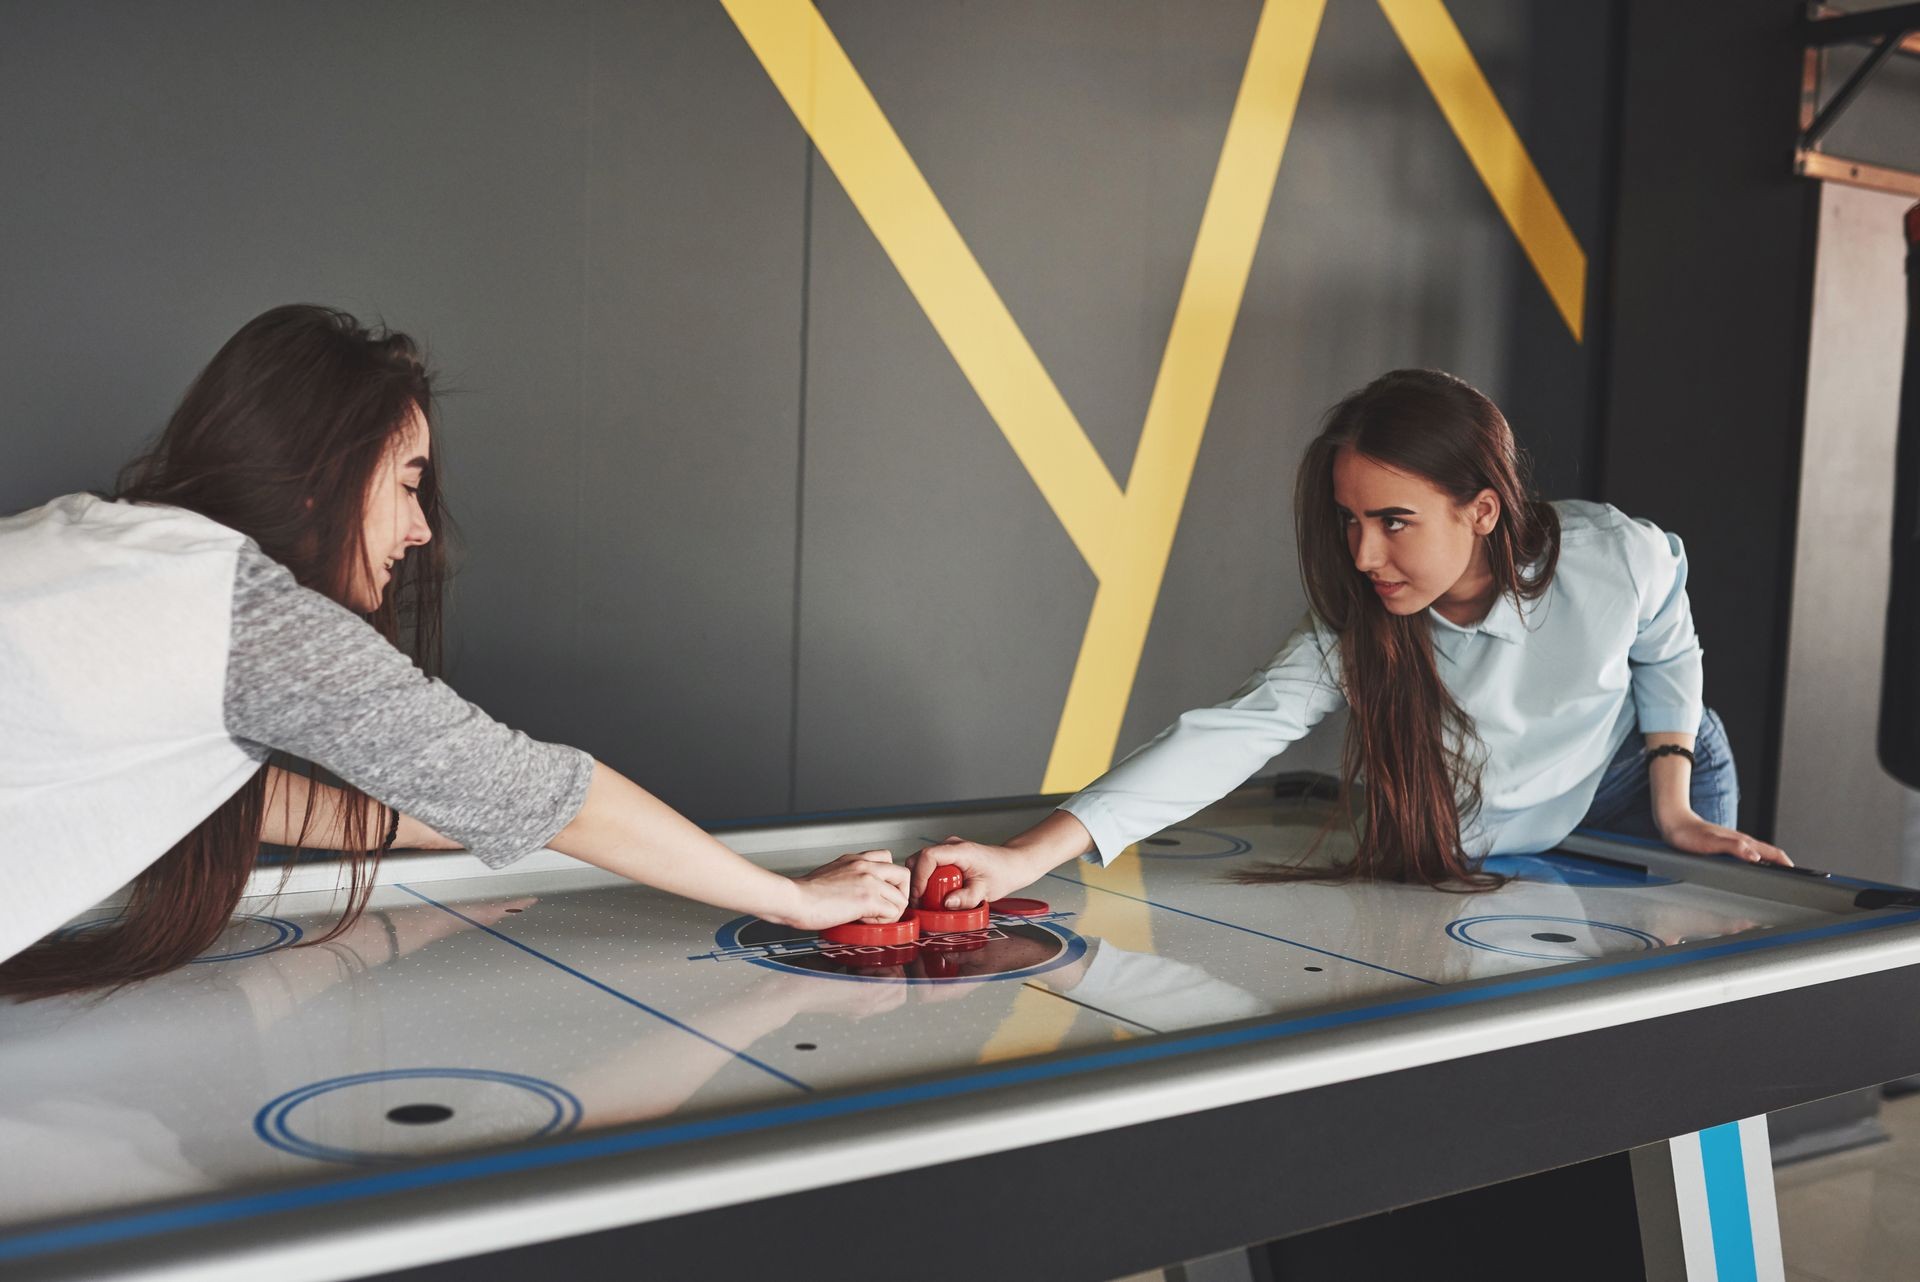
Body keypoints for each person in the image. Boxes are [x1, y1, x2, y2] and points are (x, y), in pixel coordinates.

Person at [0, 304, 906, 999]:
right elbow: (542, 792)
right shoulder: (243, 614)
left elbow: (217, 789)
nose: (421, 528)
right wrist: (794, 902)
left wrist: (428, 823)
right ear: (322, 475)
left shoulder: (100, 537)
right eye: (406, 482)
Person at [908, 368, 1789, 909]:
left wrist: (1674, 807)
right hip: (1497, 818)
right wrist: (1026, 856)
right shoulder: (1354, 624)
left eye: (1395, 521)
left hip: (1639, 777)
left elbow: (1669, 652)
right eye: (1351, 520)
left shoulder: (1614, 554)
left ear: (1481, 510)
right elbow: (1228, 735)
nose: (1365, 554)